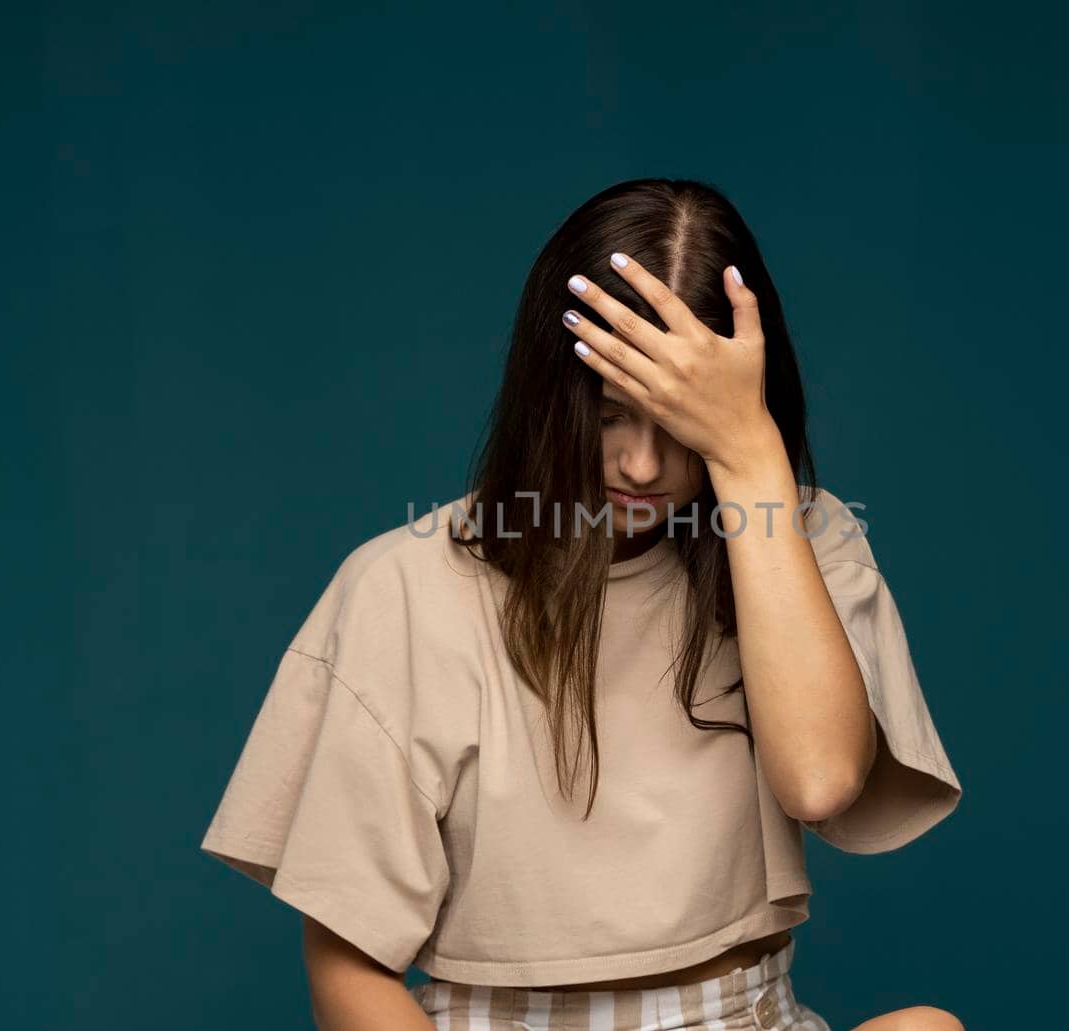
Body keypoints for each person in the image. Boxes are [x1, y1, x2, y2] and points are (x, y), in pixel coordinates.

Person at [198, 179, 966, 1030]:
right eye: (607, 416)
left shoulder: (798, 540)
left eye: (684, 426)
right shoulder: (403, 588)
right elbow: (348, 969)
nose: (640, 466)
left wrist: (751, 461)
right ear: (546, 396)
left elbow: (820, 780)